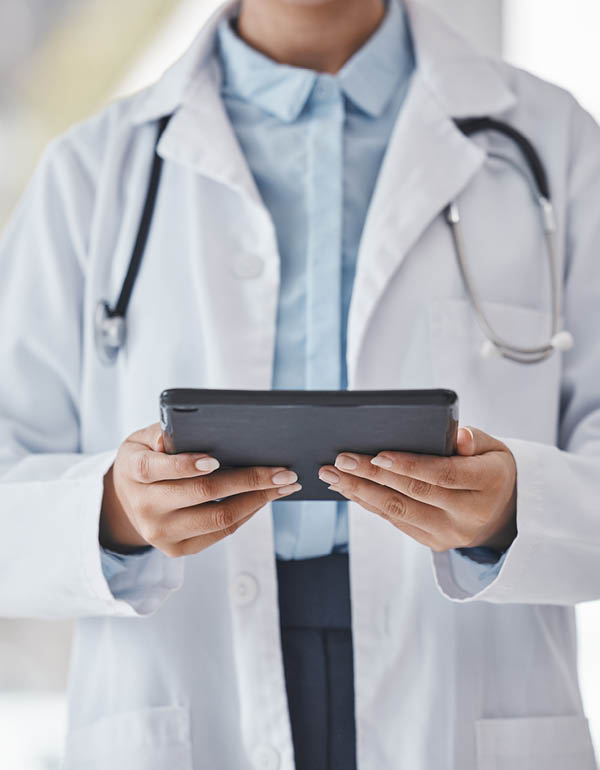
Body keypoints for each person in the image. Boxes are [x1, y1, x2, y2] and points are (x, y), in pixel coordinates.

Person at [1, 0, 600, 767]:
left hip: (458, 679)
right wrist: (114, 510)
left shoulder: (553, 144)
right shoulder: (92, 171)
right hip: (192, 676)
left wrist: (517, 507)